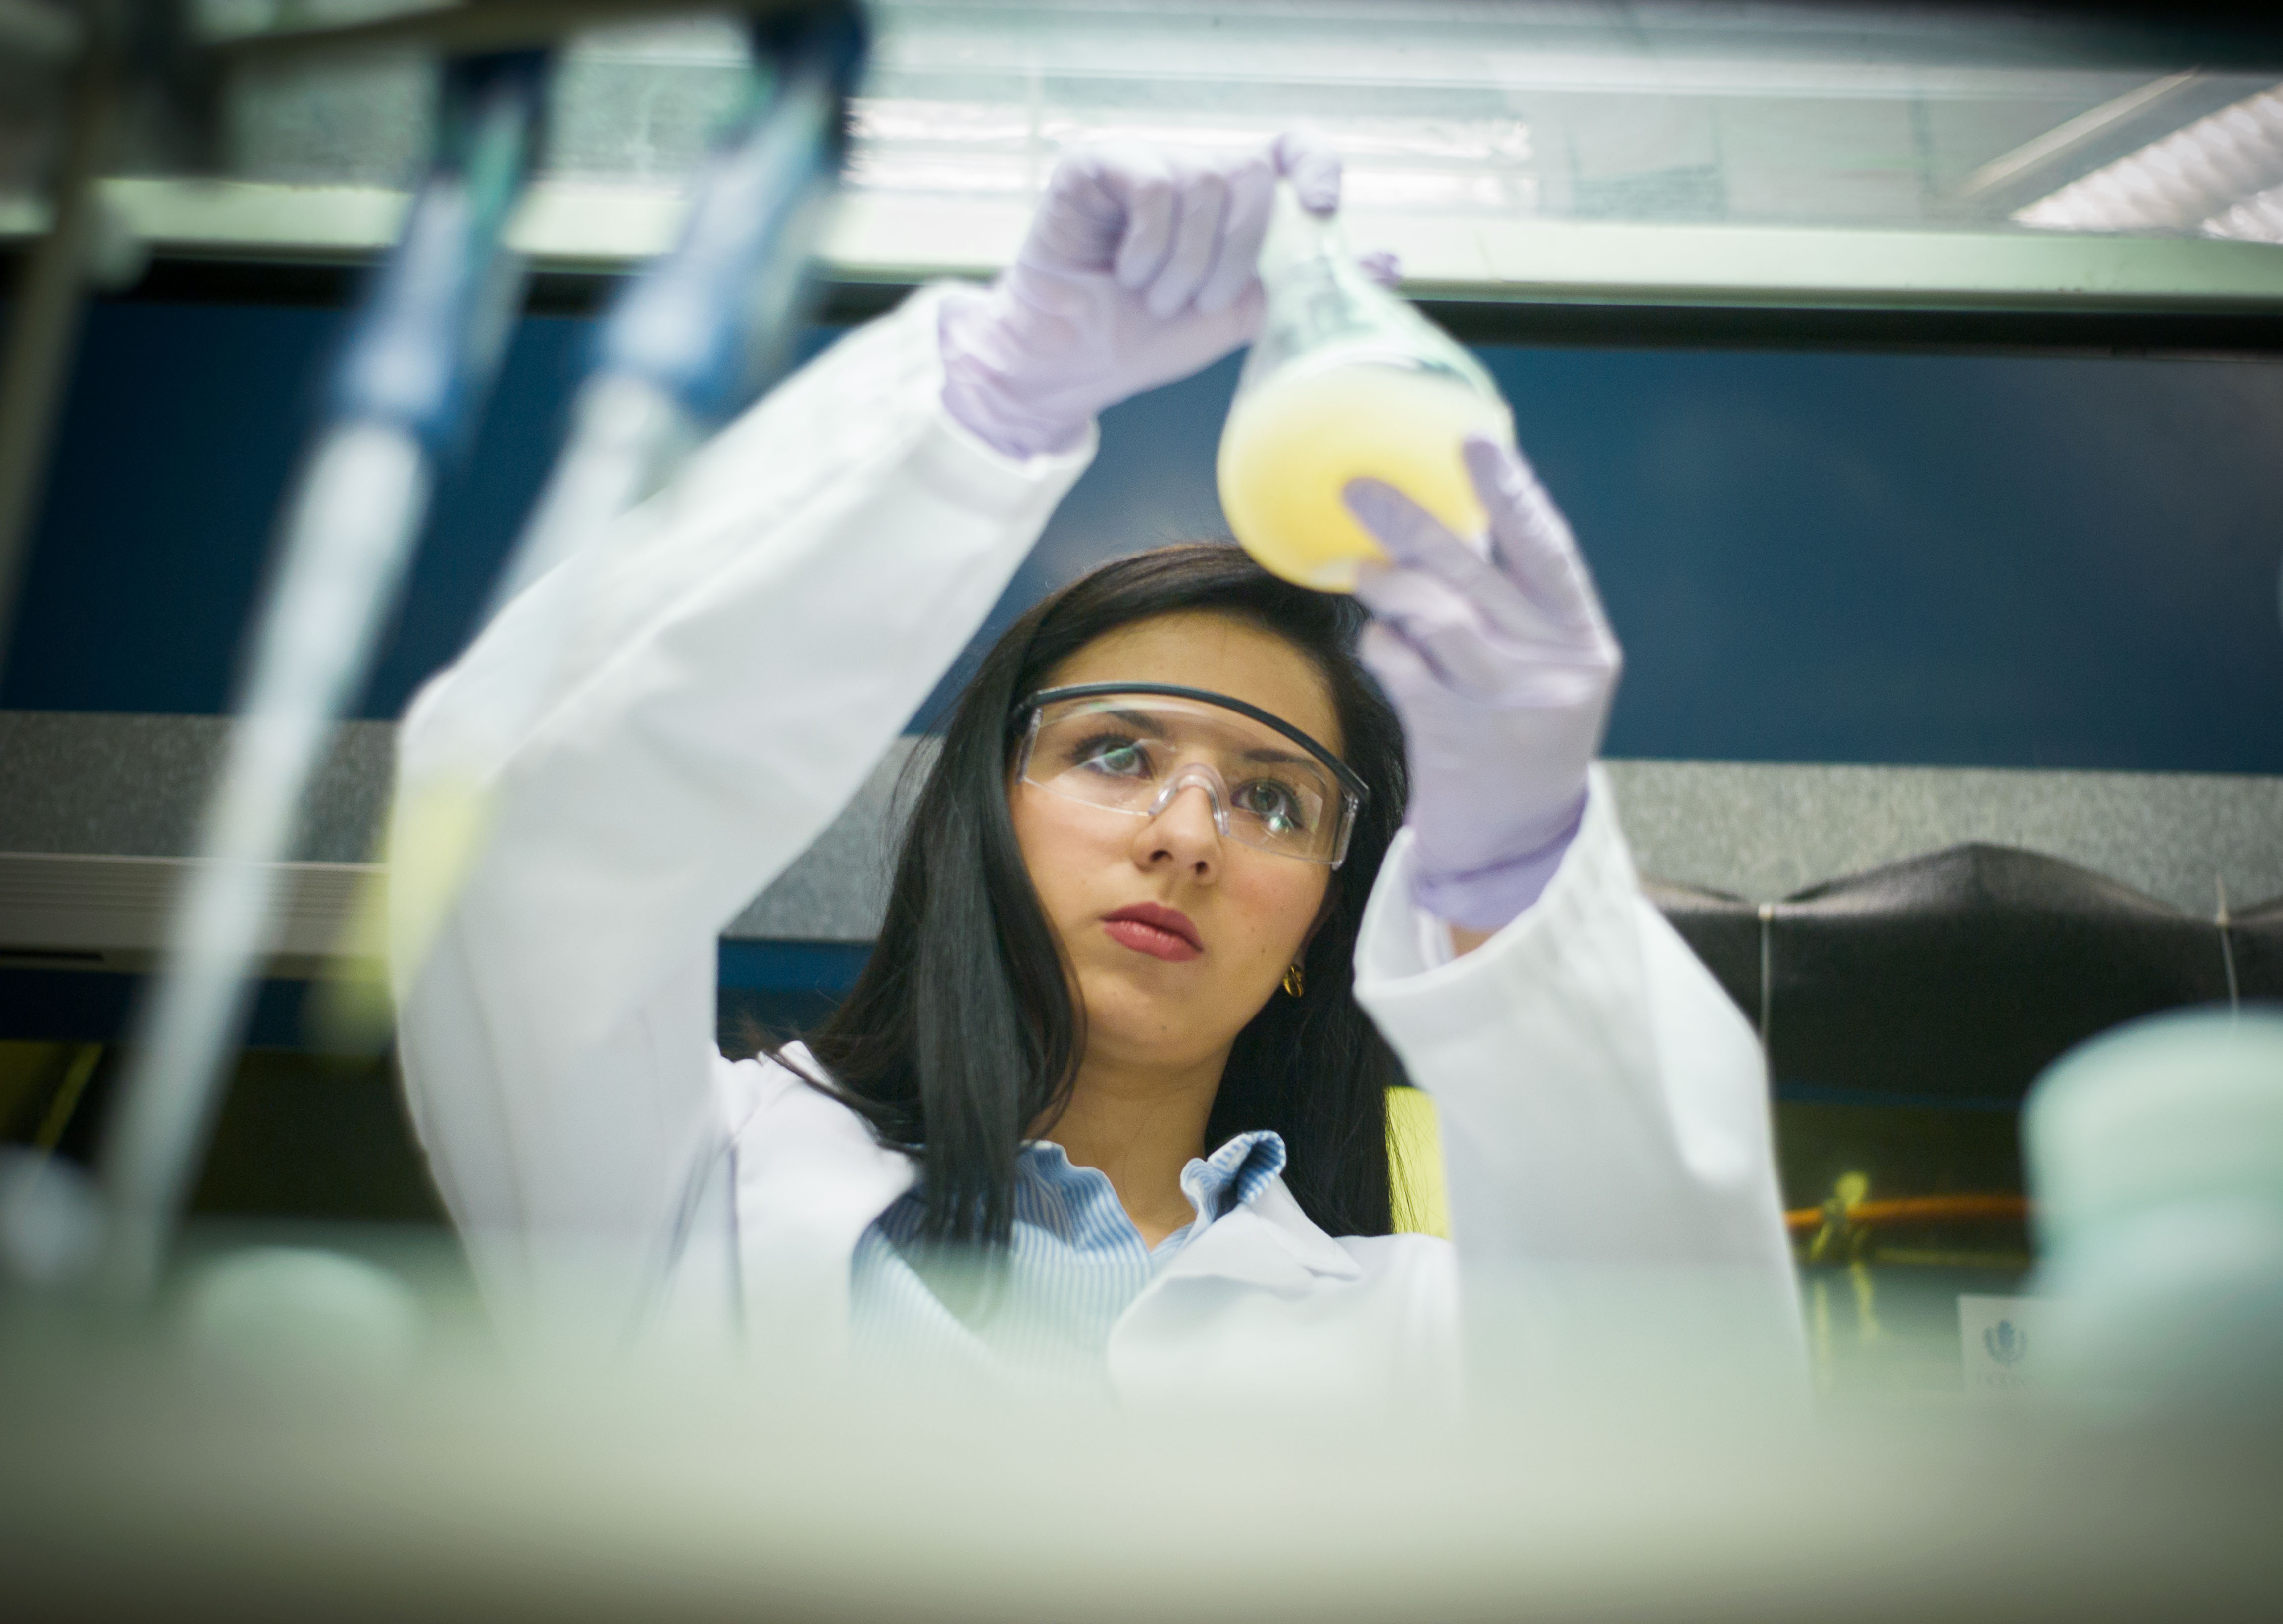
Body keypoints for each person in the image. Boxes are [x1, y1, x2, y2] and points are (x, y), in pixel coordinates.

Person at [392, 132, 1798, 1402]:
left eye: (1271, 799)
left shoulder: (1425, 1339)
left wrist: (1517, 871)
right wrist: (975, 416)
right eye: (1117, 752)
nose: (1189, 835)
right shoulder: (702, 1196)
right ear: (980, 822)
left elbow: (1703, 1421)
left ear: (1323, 919)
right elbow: (516, 816)